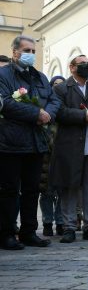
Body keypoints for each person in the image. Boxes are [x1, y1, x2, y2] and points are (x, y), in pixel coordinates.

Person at [0, 35, 61, 250]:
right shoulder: (3, 74)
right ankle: (6, 233)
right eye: (27, 50)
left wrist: (47, 115)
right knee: (8, 190)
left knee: (32, 189)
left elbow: (54, 100)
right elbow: (5, 103)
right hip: (11, 142)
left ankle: (28, 232)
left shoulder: (39, 76)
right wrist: (36, 113)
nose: (31, 55)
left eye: (34, 51)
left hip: (36, 141)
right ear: (15, 52)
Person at [49, 55, 88, 243]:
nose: (86, 66)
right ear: (72, 67)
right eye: (82, 64)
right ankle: (69, 226)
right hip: (69, 145)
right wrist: (82, 115)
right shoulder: (60, 88)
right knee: (69, 186)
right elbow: (58, 112)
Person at [39, 75, 65, 237]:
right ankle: (47, 222)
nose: (58, 87)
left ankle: (61, 222)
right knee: (47, 193)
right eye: (55, 84)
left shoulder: (63, 109)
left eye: (60, 85)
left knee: (62, 192)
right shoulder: (47, 108)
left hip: (62, 157)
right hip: (46, 158)